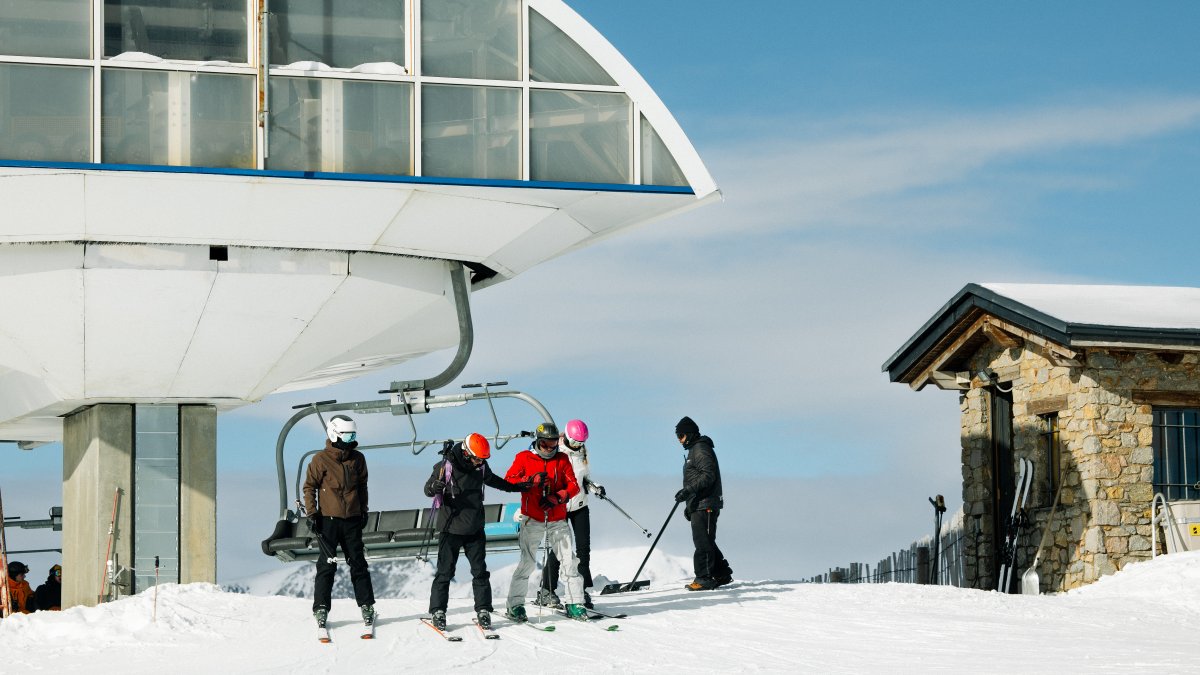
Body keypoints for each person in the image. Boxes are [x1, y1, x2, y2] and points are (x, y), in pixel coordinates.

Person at [423, 433, 531, 631]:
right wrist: (434, 487)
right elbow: (428, 489)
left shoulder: (480, 467)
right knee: (445, 572)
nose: (479, 462)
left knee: (480, 572)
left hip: (474, 528)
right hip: (450, 528)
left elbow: (495, 481)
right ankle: (438, 611)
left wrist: (517, 487)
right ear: (466, 453)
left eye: (483, 459)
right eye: (476, 458)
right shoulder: (445, 467)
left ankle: (483, 610)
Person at [504, 422, 588, 622]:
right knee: (527, 563)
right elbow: (509, 480)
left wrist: (558, 497)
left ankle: (576, 602)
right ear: (537, 441)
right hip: (532, 518)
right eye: (545, 444)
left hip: (557, 518)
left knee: (569, 561)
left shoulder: (562, 459)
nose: (549, 448)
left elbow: (573, 485)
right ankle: (515, 605)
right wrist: (530, 481)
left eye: (553, 444)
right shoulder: (524, 458)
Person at [303, 414, 376, 630]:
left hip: (352, 520)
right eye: (347, 435)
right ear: (334, 434)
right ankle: (321, 607)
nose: (351, 439)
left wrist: (363, 510)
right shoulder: (320, 460)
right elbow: (309, 487)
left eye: (353, 435)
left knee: (358, 564)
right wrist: (312, 514)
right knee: (327, 565)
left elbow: (362, 486)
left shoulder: (358, 458)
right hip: (328, 521)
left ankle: (367, 605)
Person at [536, 419, 604, 610]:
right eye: (575, 442)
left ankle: (580, 591)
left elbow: (584, 477)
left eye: (581, 442)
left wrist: (594, 486)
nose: (578, 446)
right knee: (560, 549)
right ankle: (547, 590)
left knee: (584, 550)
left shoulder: (582, 451)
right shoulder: (554, 451)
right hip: (560, 507)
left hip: (580, 505)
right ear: (566, 436)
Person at [674, 416, 733, 591]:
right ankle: (721, 573)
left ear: (690, 434)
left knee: (703, 542)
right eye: (677, 436)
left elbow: (708, 475)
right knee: (705, 539)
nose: (679, 440)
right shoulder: (694, 450)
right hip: (698, 503)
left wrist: (688, 491)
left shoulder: (700, 449)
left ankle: (704, 578)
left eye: (681, 435)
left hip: (706, 503)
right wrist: (689, 503)